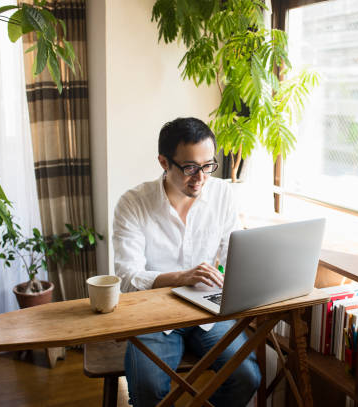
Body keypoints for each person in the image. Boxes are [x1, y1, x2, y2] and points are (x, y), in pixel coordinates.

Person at [112, 117, 261, 407]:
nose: (201, 177)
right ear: (164, 162)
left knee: (246, 377)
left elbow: (234, 257)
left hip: (208, 307)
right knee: (147, 390)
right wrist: (180, 277)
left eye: (208, 166)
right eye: (190, 167)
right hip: (153, 312)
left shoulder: (222, 194)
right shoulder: (133, 203)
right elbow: (128, 279)